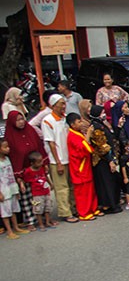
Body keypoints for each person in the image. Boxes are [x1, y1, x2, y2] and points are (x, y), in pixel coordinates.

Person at [5, 110, 47, 227]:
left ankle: (42, 218)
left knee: (39, 194)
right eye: (18, 120)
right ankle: (31, 221)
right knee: (27, 197)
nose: (21, 122)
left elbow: (39, 147)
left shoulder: (30, 130)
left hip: (36, 169)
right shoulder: (10, 137)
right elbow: (14, 157)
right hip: (23, 172)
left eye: (22, 119)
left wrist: (44, 164)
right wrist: (18, 177)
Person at [42, 94, 77, 222]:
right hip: (58, 160)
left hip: (70, 158)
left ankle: (74, 208)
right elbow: (51, 143)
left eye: (64, 103)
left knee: (72, 186)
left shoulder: (66, 119)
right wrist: (58, 162)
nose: (64, 106)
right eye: (61, 104)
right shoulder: (47, 120)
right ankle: (66, 212)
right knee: (62, 188)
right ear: (53, 105)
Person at [87, 105, 122, 214]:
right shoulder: (95, 127)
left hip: (109, 157)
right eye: (102, 113)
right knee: (106, 183)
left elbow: (111, 138)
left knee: (112, 181)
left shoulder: (102, 125)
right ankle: (108, 205)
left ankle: (114, 202)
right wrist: (110, 160)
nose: (104, 115)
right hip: (102, 160)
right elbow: (102, 146)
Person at [66, 113, 99, 221]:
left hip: (85, 166)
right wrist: (88, 135)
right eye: (78, 122)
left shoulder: (78, 133)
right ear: (72, 124)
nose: (80, 123)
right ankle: (84, 213)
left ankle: (92, 208)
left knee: (90, 189)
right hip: (79, 167)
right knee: (82, 192)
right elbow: (84, 148)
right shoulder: (72, 135)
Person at [0, 137, 31, 239]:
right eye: (5, 147)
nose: (8, 148)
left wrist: (16, 188)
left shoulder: (8, 159)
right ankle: (9, 231)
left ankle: (16, 227)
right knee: (5, 212)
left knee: (13, 209)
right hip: (3, 190)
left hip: (11, 187)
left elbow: (11, 174)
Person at [21, 151, 55, 230]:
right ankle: (40, 224)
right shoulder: (28, 171)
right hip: (37, 194)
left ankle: (47, 221)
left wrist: (51, 184)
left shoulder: (42, 168)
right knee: (38, 209)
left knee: (48, 207)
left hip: (46, 191)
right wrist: (22, 185)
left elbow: (45, 176)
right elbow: (25, 180)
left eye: (41, 161)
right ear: (32, 163)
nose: (41, 163)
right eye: (38, 162)